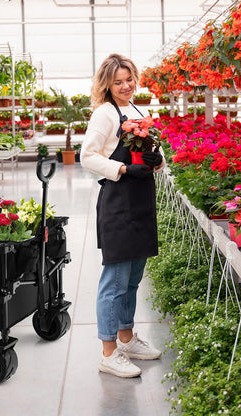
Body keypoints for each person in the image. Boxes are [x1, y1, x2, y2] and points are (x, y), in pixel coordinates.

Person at [80, 53, 166, 378]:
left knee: (132, 280)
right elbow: (87, 156)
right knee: (114, 281)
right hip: (118, 202)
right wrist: (122, 167)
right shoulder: (105, 114)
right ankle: (108, 351)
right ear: (107, 84)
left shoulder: (136, 111)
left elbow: (151, 157)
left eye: (129, 79)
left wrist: (155, 160)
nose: (125, 85)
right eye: (118, 81)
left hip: (140, 201)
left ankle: (127, 339)